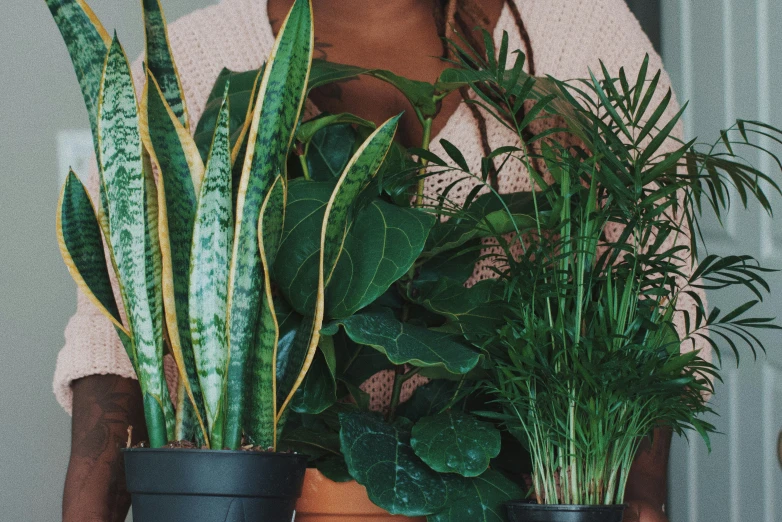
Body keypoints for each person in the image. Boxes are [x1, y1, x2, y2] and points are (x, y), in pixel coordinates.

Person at [55, 1, 695, 520]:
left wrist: (635, 500)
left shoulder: (577, 31)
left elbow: (662, 289)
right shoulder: (198, 57)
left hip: (517, 500)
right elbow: (116, 341)